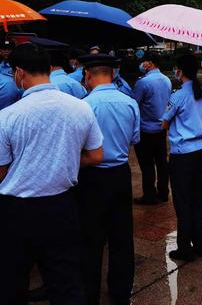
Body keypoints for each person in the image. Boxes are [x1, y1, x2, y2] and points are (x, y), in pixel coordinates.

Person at [0, 43, 103, 304]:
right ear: (49, 69)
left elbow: (1, 171)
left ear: (19, 73)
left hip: (16, 211)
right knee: (66, 282)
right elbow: (95, 155)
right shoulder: (81, 107)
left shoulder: (8, 116)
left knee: (11, 281)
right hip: (62, 206)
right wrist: (62, 161)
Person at [77, 54, 140, 305]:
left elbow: (80, 145)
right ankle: (120, 290)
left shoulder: (85, 105)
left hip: (92, 176)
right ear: (112, 75)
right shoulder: (129, 102)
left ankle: (89, 292)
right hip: (120, 174)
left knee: (90, 237)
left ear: (87, 75)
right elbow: (135, 138)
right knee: (121, 235)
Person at [162, 54, 202, 262]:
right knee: (197, 198)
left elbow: (164, 122)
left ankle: (184, 248)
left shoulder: (178, 96)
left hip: (182, 155)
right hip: (199, 153)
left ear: (180, 71)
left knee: (182, 200)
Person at [132, 52, 172, 205]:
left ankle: (149, 195)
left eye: (144, 62)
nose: (142, 65)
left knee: (147, 164)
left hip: (146, 130)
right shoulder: (166, 80)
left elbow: (134, 104)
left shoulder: (143, 82)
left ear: (149, 63)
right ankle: (163, 193)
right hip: (161, 128)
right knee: (161, 162)